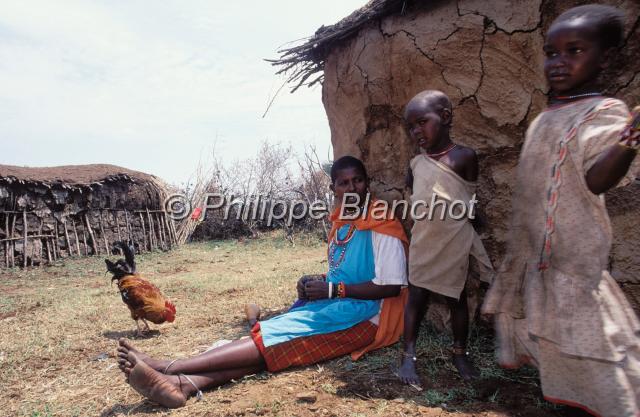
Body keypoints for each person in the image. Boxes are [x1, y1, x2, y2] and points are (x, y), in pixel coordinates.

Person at [116, 155, 409, 408]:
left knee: (276, 333)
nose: (352, 188)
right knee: (280, 341)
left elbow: (392, 286)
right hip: (337, 308)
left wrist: (333, 289)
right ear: (333, 188)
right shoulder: (340, 222)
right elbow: (343, 272)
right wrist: (318, 284)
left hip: (368, 318)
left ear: (366, 183)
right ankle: (183, 385)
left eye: (357, 181)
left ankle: (169, 366)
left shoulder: (381, 224)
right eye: (343, 183)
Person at [481, 5, 640, 417]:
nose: (558, 62)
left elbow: (597, 179)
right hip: (539, 268)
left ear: (604, 58)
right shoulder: (543, 120)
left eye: (574, 51)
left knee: (605, 368)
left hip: (577, 270)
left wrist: (628, 141)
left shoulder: (605, 113)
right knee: (558, 366)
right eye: (552, 52)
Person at [396, 90, 493, 385]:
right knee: (416, 297)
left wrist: (474, 218)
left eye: (422, 122)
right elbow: (419, 204)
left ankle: (460, 353)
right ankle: (408, 357)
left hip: (452, 241)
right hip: (425, 242)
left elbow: (466, 199)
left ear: (446, 117)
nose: (416, 131)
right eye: (411, 127)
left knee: (457, 297)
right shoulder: (415, 166)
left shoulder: (465, 157)